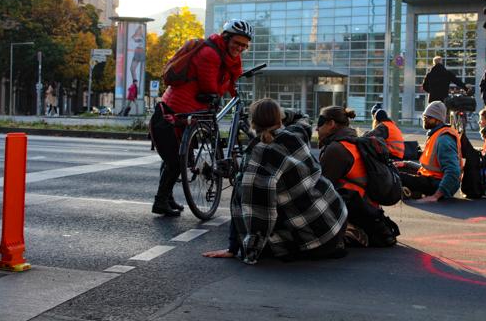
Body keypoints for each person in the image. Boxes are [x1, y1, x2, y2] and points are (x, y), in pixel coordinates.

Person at [204, 98, 348, 264]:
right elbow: (303, 117)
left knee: (243, 194)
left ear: (252, 124)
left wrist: (240, 249)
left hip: (317, 242)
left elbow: (260, 214)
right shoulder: (295, 133)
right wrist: (282, 113)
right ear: (280, 119)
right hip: (337, 221)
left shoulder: (258, 159)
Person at [148, 19, 253, 216]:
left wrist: (232, 91)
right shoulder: (210, 54)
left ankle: (167, 198)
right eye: (237, 43)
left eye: (244, 45)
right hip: (174, 111)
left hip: (190, 112)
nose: (240, 48)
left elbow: (227, 79)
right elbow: (209, 88)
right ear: (226, 38)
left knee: (177, 158)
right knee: (174, 160)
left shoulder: (225, 56)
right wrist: (224, 89)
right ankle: (160, 201)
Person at [317, 106, 399, 248]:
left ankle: (350, 229)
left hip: (356, 211)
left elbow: (319, 189)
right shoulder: (354, 142)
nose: (316, 129)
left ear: (331, 124)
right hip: (369, 211)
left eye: (320, 123)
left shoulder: (337, 149)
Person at [397, 101, 462, 203]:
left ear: (437, 120)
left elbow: (453, 172)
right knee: (395, 169)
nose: (424, 119)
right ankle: (414, 192)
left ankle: (417, 192)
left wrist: (436, 196)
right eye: (424, 117)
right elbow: (432, 169)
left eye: (428, 117)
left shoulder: (443, 139)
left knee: (396, 176)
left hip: (437, 185)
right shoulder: (435, 135)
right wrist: (406, 164)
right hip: (433, 179)